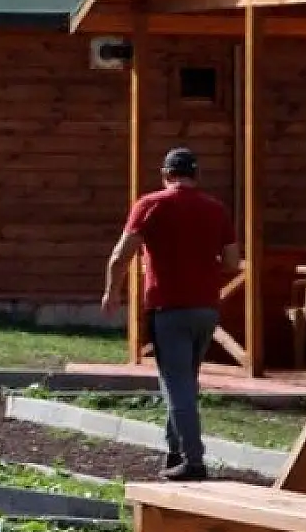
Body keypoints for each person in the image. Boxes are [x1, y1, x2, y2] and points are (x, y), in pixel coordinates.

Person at [101, 146, 240, 482]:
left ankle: (194, 461)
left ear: (165, 174)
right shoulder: (216, 210)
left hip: (168, 307)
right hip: (206, 308)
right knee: (185, 382)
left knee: (177, 385)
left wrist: (112, 291)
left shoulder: (150, 205)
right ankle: (174, 451)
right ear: (196, 175)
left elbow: (121, 255)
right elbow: (234, 262)